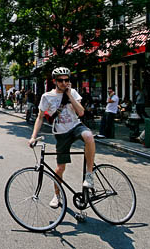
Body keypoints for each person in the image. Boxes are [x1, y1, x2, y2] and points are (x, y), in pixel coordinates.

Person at [28, 67, 96, 208]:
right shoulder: (47, 96)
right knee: (60, 168)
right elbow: (40, 118)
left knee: (89, 136)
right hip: (61, 133)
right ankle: (57, 195)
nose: (64, 83)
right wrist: (33, 137)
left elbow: (81, 113)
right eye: (61, 80)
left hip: (75, 126)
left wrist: (70, 95)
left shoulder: (73, 93)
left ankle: (89, 175)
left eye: (67, 80)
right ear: (54, 81)